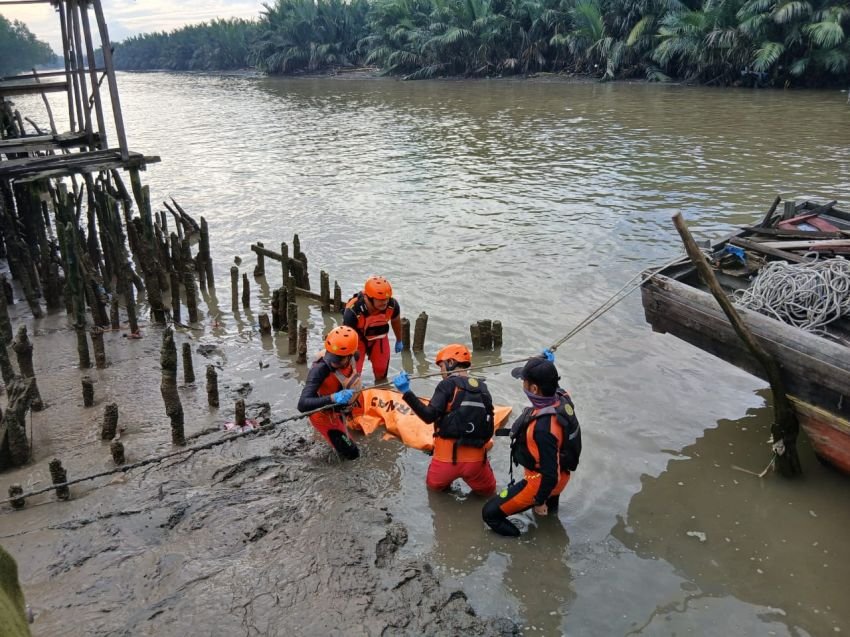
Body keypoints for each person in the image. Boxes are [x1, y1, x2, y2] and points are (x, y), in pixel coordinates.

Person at [482, 353, 582, 537]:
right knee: (549, 512)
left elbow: (549, 473)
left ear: (534, 388)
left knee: (489, 514)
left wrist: (539, 501)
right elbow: (554, 385)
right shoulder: (562, 397)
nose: (523, 385)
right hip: (563, 475)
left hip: (542, 482)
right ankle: (551, 530)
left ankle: (525, 551)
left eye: (524, 381)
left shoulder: (543, 429)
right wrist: (545, 364)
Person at [392, 343, 496, 496]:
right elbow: (489, 425)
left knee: (435, 492)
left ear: (451, 363)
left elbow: (428, 416)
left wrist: (406, 392)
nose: (441, 372)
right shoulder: (482, 387)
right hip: (477, 462)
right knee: (487, 494)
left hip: (446, 461)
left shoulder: (446, 384)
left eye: (441, 367)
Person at [297, 326, 362, 460]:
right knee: (352, 454)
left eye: (338, 359)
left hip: (341, 408)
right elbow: (302, 404)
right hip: (324, 414)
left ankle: (322, 436)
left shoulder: (354, 355)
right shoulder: (320, 370)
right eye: (332, 357)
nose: (333, 362)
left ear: (350, 355)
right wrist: (333, 398)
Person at [343, 276, 403, 381]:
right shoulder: (353, 311)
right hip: (357, 339)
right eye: (380, 300)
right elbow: (345, 335)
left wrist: (399, 340)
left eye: (386, 299)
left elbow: (395, 321)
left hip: (379, 336)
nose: (384, 302)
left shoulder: (392, 305)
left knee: (381, 370)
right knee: (354, 373)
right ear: (368, 298)